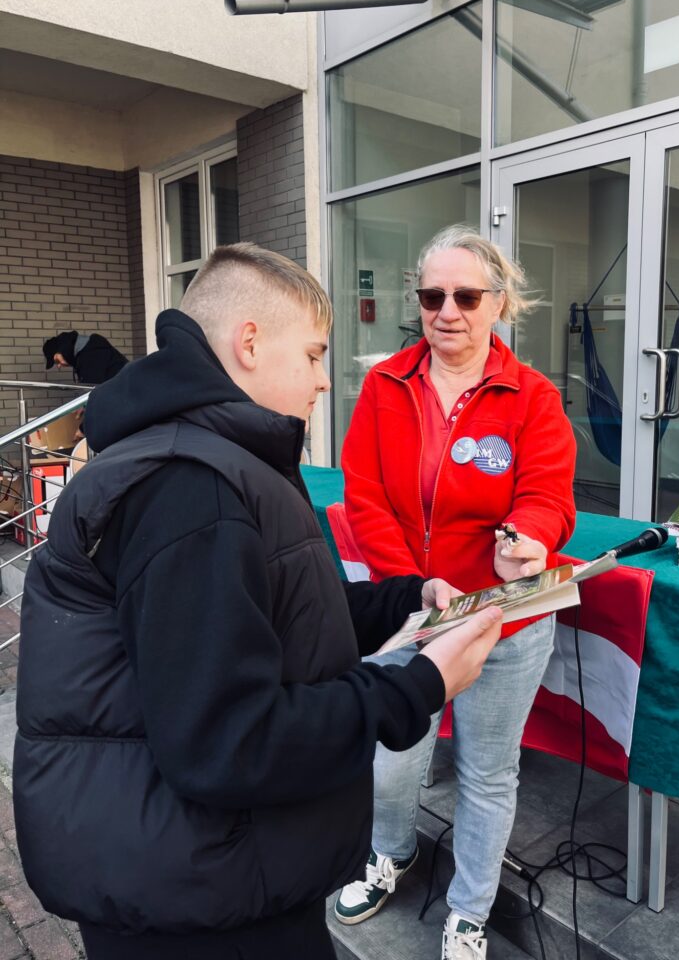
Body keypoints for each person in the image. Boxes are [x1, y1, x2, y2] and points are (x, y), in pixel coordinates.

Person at [14, 243, 506, 960]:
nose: (323, 380)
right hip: (192, 893)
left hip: (206, 866)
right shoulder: (192, 485)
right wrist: (419, 687)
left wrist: (404, 600)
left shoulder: (212, 456)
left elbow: (266, 613)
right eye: (312, 355)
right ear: (249, 343)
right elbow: (228, 741)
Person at [337, 225, 577, 959]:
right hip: (409, 609)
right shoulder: (385, 384)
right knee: (392, 754)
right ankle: (391, 852)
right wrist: (413, 586)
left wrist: (529, 538)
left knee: (487, 773)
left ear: (499, 303)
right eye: (432, 295)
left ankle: (469, 910)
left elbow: (548, 495)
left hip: (502, 618)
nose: (447, 312)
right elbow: (364, 496)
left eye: (467, 297)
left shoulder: (533, 396)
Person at [43, 329, 128, 384]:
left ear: (62, 350)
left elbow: (93, 391)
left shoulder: (91, 354)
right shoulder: (86, 352)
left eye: (57, 361)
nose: (59, 366)